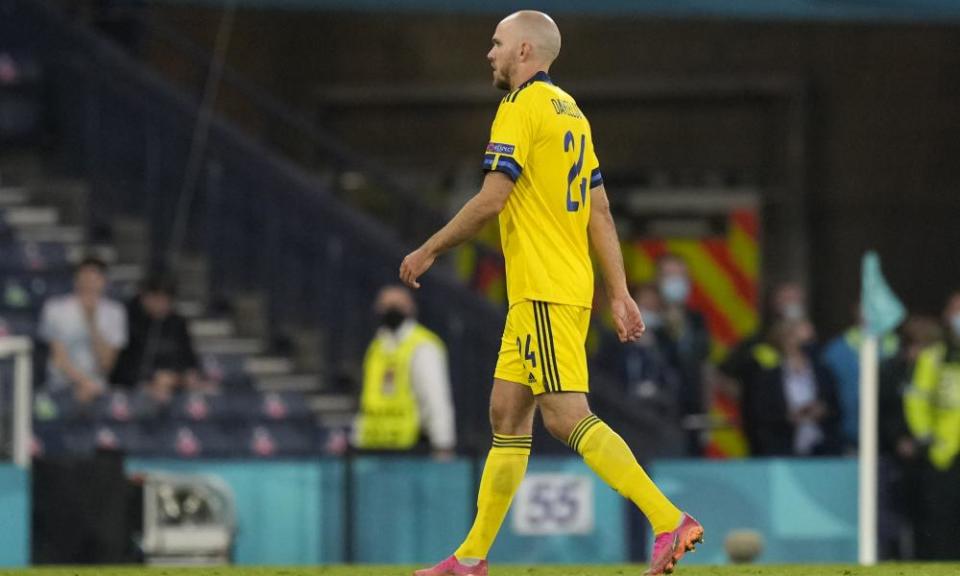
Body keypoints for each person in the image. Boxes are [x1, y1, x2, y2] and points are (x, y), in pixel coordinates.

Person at [399, 11, 701, 576]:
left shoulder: (519, 107)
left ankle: (668, 519)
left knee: (564, 417)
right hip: (556, 289)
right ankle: (470, 558)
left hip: (542, 289)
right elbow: (599, 209)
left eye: (496, 43)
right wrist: (618, 292)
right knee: (507, 415)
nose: (489, 53)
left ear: (523, 50)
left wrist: (431, 248)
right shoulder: (574, 114)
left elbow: (492, 197)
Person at [352, 285, 456, 459]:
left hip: (412, 449)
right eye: (386, 305)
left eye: (396, 305)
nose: (391, 310)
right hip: (372, 447)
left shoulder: (422, 346)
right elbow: (366, 400)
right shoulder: (376, 347)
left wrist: (443, 444)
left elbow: (435, 398)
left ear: (410, 308)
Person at [718, 281, 809, 455]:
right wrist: (747, 398)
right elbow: (723, 374)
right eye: (786, 299)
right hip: (766, 435)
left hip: (810, 435)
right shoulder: (756, 343)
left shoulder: (811, 345)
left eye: (795, 299)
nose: (791, 304)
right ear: (773, 303)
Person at [904, 291, 960, 560]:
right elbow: (917, 400)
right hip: (944, 452)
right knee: (942, 517)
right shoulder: (934, 357)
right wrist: (925, 436)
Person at [747, 319, 842, 457]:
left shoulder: (823, 371)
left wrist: (822, 410)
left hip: (823, 449)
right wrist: (787, 417)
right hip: (783, 449)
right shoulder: (769, 376)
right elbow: (760, 414)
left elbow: (837, 406)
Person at [38, 257, 127, 405]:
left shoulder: (115, 312)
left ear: (104, 281)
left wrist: (91, 321)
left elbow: (106, 364)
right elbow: (59, 359)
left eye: (95, 279)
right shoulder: (54, 308)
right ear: (76, 280)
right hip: (61, 385)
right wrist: (83, 383)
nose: (89, 284)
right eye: (85, 278)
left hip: (98, 387)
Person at [111, 274, 204, 404]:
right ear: (145, 297)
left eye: (166, 300)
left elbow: (190, 362)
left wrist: (178, 378)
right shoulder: (126, 319)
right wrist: (152, 379)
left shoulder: (177, 323)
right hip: (132, 392)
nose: (161, 305)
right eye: (157, 299)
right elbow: (118, 369)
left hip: (172, 389)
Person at [821, 302, 899, 451]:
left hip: (890, 435)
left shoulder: (899, 346)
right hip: (851, 431)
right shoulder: (836, 350)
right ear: (856, 313)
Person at [655, 253, 711, 456]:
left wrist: (706, 412)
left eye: (679, 277)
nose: (675, 283)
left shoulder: (697, 320)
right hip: (657, 413)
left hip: (692, 411)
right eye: (669, 276)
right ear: (658, 281)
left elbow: (704, 366)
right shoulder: (647, 318)